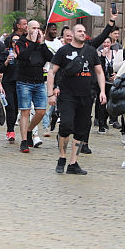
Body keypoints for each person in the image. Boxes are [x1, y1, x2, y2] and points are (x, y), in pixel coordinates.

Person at [46, 24, 107, 175]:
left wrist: (102, 91)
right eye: (79, 31)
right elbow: (51, 72)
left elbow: (99, 72)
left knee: (81, 130)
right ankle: (62, 158)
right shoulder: (63, 51)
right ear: (72, 33)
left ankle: (73, 163)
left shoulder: (91, 51)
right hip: (67, 95)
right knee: (66, 126)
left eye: (84, 31)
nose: (83, 33)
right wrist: (50, 94)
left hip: (86, 95)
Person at [13, 20, 52, 152]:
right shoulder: (20, 42)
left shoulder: (40, 44)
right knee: (25, 111)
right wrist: (32, 42)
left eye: (38, 28)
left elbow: (50, 57)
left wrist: (41, 43)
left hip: (39, 82)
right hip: (24, 82)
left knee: (41, 111)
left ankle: (29, 130)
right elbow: (23, 56)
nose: (37, 30)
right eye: (34, 28)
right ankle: (24, 141)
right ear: (28, 29)